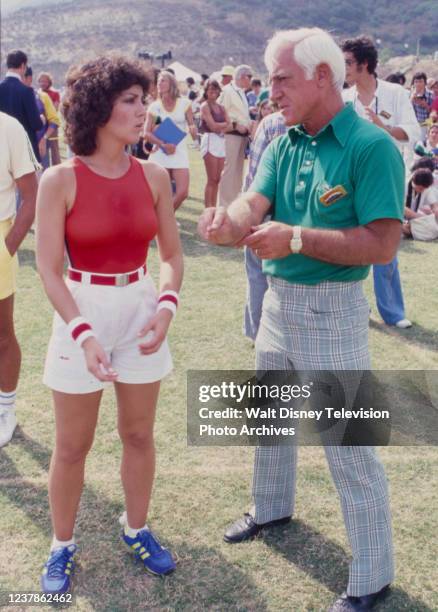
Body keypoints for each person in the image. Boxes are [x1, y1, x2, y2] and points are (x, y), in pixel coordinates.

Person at [199, 27, 404, 612]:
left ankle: (371, 576)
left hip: (334, 312)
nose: (272, 90)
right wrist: (227, 223)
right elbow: (252, 203)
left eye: (281, 78)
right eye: (269, 79)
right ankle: (270, 507)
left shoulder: (370, 147)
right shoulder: (286, 141)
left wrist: (294, 238)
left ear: (322, 76)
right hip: (278, 304)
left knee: (347, 445)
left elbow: (382, 244)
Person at [36, 55, 183, 594]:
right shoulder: (60, 179)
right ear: (98, 108)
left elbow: (171, 254)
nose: (143, 110)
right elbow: (48, 270)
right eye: (131, 100)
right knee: (73, 445)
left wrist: (166, 306)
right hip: (82, 313)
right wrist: (83, 333)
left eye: (144, 100)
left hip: (141, 308)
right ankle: (62, 546)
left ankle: (136, 529)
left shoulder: (153, 175)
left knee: (139, 433)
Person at [342, 35, 421, 329]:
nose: (344, 68)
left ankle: (392, 311)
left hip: (387, 176)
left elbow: (414, 133)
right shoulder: (343, 99)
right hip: (351, 177)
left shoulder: (395, 93)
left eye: (348, 62)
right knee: (350, 241)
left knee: (385, 243)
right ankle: (354, 306)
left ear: (365, 64)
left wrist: (383, 127)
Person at [0, 113, 39, 447]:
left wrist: (8, 246)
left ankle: (5, 409)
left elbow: (32, 193)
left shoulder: (8, 127)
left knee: (1, 333)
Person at [243, 108, 286, 342]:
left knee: (257, 275)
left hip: (263, 214)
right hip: (296, 220)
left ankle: (257, 332)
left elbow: (253, 176)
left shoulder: (270, 124)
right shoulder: (318, 125)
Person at [144, 70, 197, 210]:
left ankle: (164, 218)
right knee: (161, 192)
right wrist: (163, 145)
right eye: (158, 81)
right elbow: (146, 133)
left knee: (182, 192)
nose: (159, 83)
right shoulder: (154, 106)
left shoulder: (185, 103)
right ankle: (164, 221)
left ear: (171, 83)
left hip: (179, 150)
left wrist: (193, 128)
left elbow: (191, 123)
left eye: (163, 80)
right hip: (161, 150)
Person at [218, 64, 254, 207]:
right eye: (249, 77)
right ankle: (224, 205)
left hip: (242, 136)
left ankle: (233, 203)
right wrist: (235, 125)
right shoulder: (227, 91)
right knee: (229, 170)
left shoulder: (241, 92)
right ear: (243, 77)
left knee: (238, 170)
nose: (251, 80)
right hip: (231, 135)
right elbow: (220, 113)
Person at [0, 50, 43, 162]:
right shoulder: (26, 91)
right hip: (25, 151)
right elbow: (36, 124)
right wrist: (41, 120)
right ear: (23, 65)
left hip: (3, 149)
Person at [199, 79, 230, 207]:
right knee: (211, 179)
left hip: (221, 143)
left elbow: (229, 124)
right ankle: (208, 209)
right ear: (205, 91)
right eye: (210, 89)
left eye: (215, 89)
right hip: (210, 141)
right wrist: (223, 125)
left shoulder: (222, 107)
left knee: (217, 179)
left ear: (219, 91)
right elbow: (212, 127)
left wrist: (221, 125)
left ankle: (214, 208)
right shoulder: (204, 106)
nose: (213, 91)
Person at [23, 67, 60, 170]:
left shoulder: (42, 96)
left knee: (43, 175)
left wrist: (44, 139)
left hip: (40, 147)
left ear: (29, 78)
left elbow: (54, 120)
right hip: (19, 148)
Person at [402, 167, 438, 239]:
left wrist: (436, 211)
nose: (422, 191)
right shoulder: (403, 185)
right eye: (420, 188)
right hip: (398, 217)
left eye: (424, 189)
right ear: (413, 180)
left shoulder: (426, 188)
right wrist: (423, 218)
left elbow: (434, 205)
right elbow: (400, 208)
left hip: (414, 220)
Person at [37, 71, 61, 165]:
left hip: (52, 126)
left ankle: (57, 169)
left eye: (45, 81)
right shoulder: (36, 94)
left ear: (49, 82)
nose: (43, 83)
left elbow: (55, 109)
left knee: (54, 149)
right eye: (41, 81)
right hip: (41, 127)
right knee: (43, 150)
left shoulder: (55, 94)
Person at [410, 72, 433, 137]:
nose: (418, 84)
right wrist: (411, 99)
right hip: (416, 124)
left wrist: (426, 106)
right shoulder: (411, 94)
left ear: (425, 83)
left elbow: (434, 113)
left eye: (420, 81)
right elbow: (407, 110)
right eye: (416, 82)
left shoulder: (430, 95)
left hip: (429, 123)